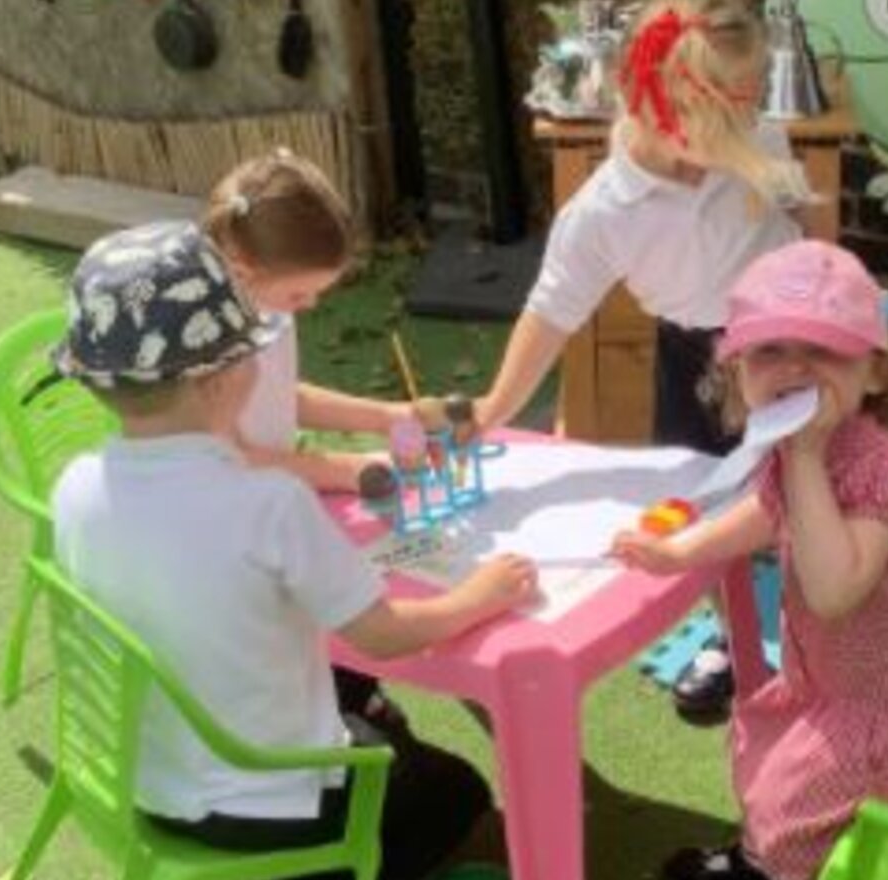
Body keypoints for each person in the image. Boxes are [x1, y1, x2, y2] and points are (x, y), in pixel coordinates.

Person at [50, 222, 538, 879]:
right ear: (221, 377)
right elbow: (385, 637)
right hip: (274, 805)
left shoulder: (73, 488)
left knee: (384, 743)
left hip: (143, 787)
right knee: (458, 792)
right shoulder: (271, 503)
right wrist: (479, 595)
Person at [612, 241, 888, 880]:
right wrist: (679, 551)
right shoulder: (791, 450)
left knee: (788, 803)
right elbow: (768, 510)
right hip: (853, 690)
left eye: (823, 351)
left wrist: (803, 458)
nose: (796, 369)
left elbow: (835, 591)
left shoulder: (880, 465)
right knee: (774, 761)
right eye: (771, 350)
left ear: (877, 374)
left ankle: (764, 868)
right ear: (736, 369)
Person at [473, 0, 810, 719]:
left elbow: (807, 230)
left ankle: (827, 639)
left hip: (790, 347)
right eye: (732, 121)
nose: (749, 132)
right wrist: (493, 409)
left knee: (811, 493)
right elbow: (551, 313)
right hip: (696, 359)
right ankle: (730, 639)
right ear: (661, 108)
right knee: (704, 506)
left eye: (751, 114)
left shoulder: (756, 144)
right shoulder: (603, 213)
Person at [204, 148, 451, 496]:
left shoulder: (266, 306)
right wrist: (348, 470)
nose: (310, 304)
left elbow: (280, 396)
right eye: (298, 294)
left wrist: (387, 416)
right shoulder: (205, 345)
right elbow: (230, 460)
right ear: (243, 272)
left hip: (269, 497)